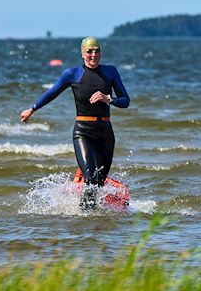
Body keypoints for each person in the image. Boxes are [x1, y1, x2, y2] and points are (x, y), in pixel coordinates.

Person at [20, 36, 131, 208]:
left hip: (105, 133)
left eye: (97, 51)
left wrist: (108, 98)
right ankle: (85, 214)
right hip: (83, 132)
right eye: (89, 51)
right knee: (91, 177)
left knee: (99, 181)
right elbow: (51, 93)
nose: (93, 55)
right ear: (82, 53)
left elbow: (125, 100)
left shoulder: (110, 72)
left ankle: (92, 216)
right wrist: (32, 109)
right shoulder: (72, 74)